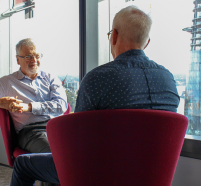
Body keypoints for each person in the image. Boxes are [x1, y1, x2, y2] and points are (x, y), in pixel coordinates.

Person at [10, 6, 180, 186]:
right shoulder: (168, 80)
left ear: (113, 35)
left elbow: (77, 141)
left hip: (99, 174)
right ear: (146, 43)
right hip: (151, 176)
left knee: (23, 164)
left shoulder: (98, 79)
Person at [0, 38, 68, 153]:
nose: (34, 60)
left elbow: (61, 106)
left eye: (37, 56)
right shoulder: (5, 83)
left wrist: (29, 107)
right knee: (56, 154)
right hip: (32, 132)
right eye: (28, 56)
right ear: (17, 60)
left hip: (58, 126)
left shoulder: (51, 78)